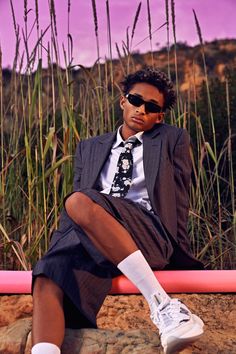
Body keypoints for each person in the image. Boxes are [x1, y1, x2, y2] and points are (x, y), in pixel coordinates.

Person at [31, 67, 204, 354]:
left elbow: (179, 202)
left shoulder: (172, 139)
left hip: (147, 232)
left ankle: (164, 306)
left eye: (152, 108)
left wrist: (178, 251)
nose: (141, 110)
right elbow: (75, 214)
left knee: (77, 201)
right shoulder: (90, 147)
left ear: (159, 116)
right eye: (136, 100)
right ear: (123, 100)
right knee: (48, 271)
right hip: (93, 236)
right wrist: (58, 250)